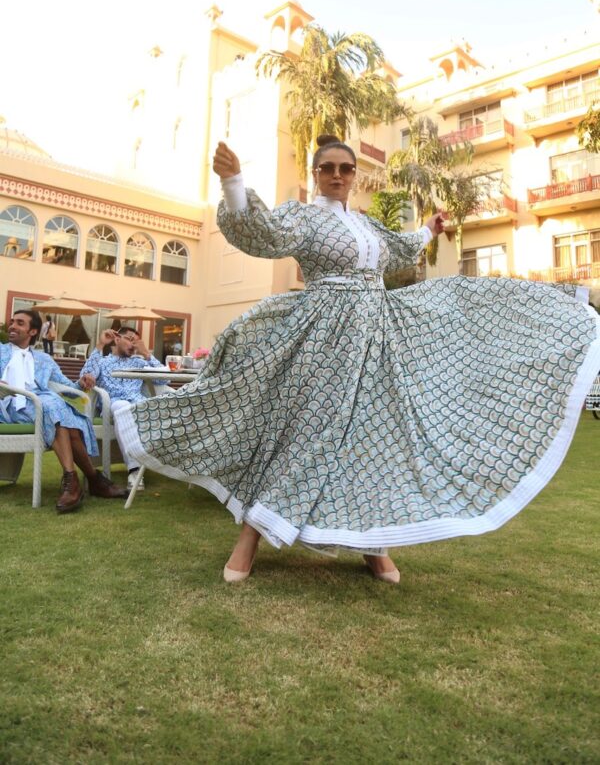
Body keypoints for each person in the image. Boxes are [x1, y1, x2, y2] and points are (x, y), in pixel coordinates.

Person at [114, 136, 600, 585]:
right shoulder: (302, 217)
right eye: (329, 167)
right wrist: (234, 181)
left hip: (377, 337)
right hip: (325, 337)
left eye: (346, 168)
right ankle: (250, 539)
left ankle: (373, 546)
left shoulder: (365, 223)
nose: (339, 175)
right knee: (301, 428)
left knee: (374, 436)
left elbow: (400, 251)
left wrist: (428, 230)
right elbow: (257, 230)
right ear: (316, 171)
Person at [0, 310, 128, 512]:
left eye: (20, 323)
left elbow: (69, 387)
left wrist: (82, 381)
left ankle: (73, 483)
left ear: (33, 331)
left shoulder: (44, 359)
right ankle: (93, 479)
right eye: (12, 322)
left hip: (43, 404)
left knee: (58, 411)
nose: (13, 326)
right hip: (12, 403)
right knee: (56, 407)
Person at [80, 327, 166, 491]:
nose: (133, 344)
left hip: (139, 404)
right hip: (113, 402)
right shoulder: (103, 361)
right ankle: (134, 469)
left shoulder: (140, 363)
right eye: (129, 339)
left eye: (136, 341)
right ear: (117, 339)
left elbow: (163, 380)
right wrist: (100, 344)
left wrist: (147, 354)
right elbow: (85, 376)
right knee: (123, 407)